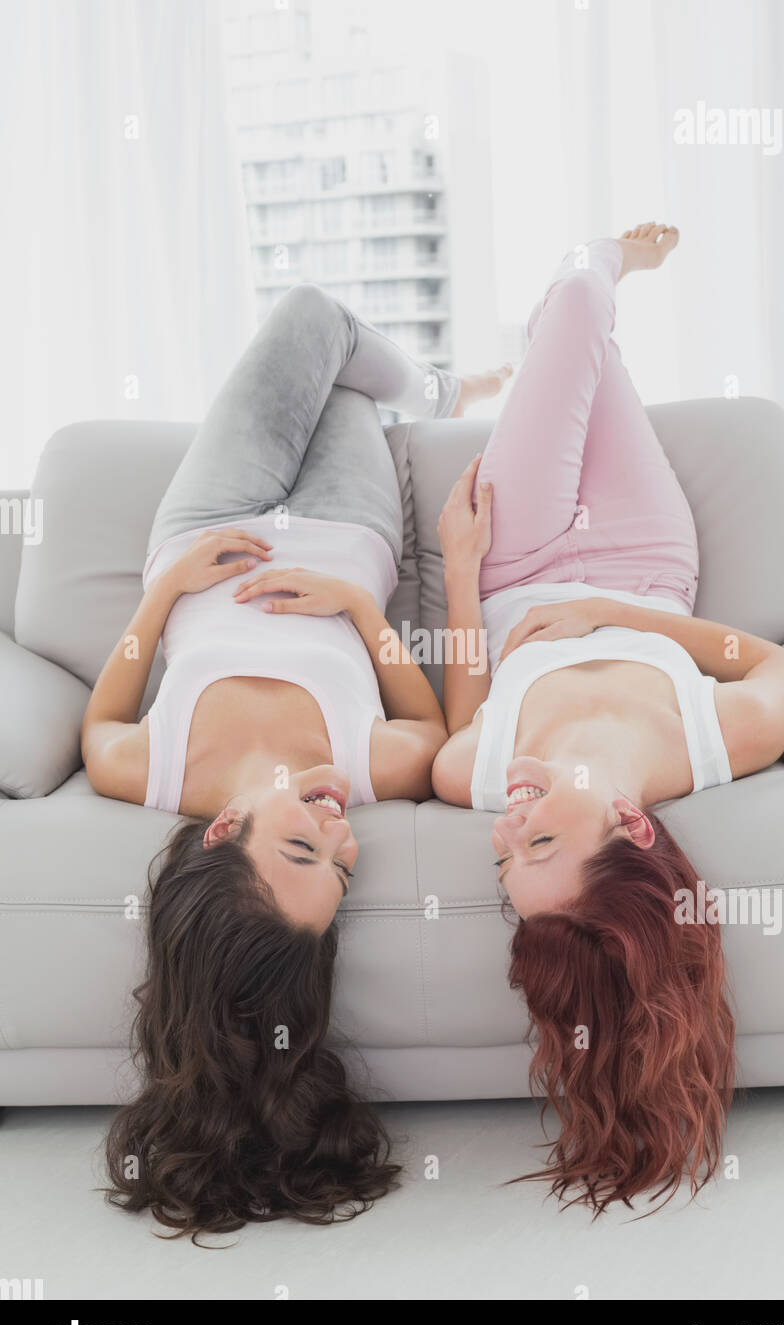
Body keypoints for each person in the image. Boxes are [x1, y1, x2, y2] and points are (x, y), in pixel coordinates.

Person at [82, 283, 509, 1234]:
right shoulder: (365, 769)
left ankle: (437, 392)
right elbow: (436, 731)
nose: (342, 838)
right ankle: (426, 391)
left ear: (226, 829)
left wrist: (164, 600)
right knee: (349, 390)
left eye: (305, 851)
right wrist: (358, 609)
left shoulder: (158, 772)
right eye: (344, 870)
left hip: (203, 528)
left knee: (313, 322)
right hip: (349, 539)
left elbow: (100, 721)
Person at [432, 224, 784, 1214]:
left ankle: (588, 269)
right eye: (541, 833)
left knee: (578, 316)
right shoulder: (713, 742)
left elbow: (463, 709)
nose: (506, 819)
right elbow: (772, 664)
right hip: (645, 556)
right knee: (587, 333)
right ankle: (595, 267)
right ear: (632, 826)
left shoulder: (470, 774)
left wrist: (459, 572)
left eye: (505, 853)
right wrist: (619, 614)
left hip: (511, 561)